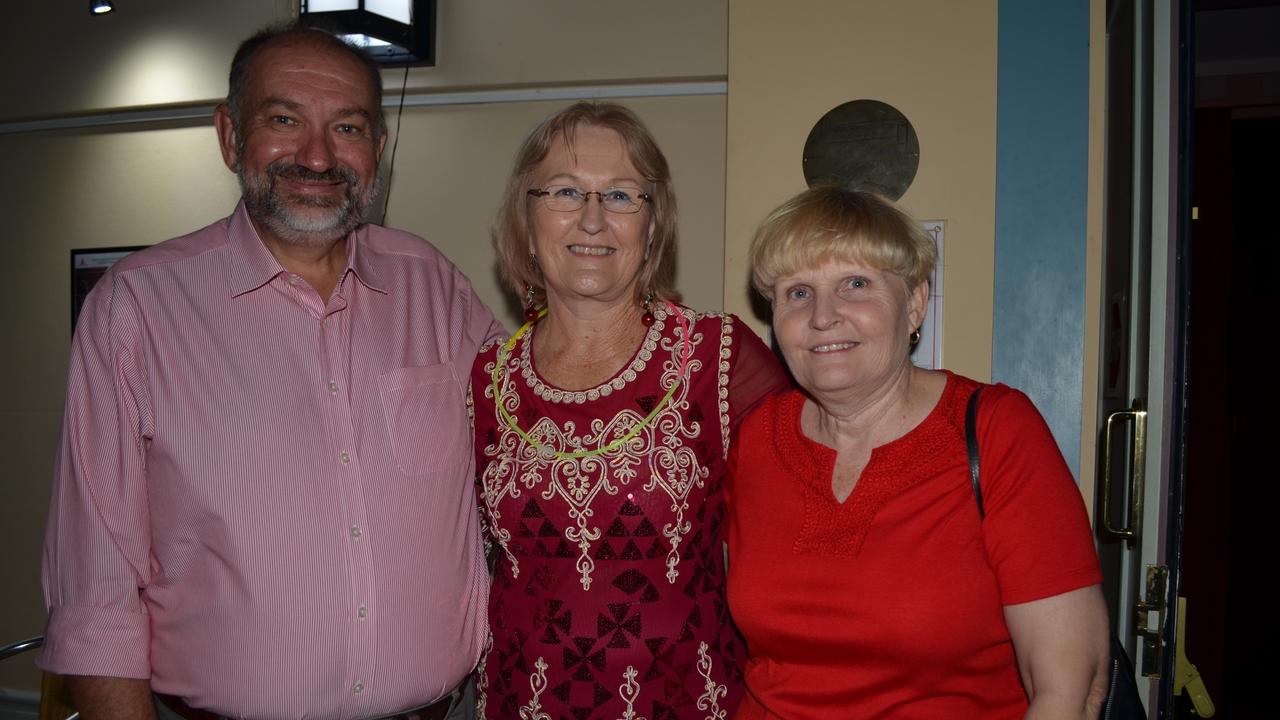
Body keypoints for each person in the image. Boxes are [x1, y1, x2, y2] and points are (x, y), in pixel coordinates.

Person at [39, 23, 500, 720]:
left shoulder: (433, 286)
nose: (317, 155)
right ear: (229, 136)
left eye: (346, 127)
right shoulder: (134, 310)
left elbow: (542, 425)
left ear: (377, 153)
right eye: (284, 119)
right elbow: (96, 594)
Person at [726, 186, 1111, 719]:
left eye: (855, 284)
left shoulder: (997, 429)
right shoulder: (756, 439)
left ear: (915, 302)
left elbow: (1071, 689)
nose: (822, 316)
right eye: (797, 293)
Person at [470, 102, 790, 719]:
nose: (593, 219)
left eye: (621, 196)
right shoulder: (486, 380)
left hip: (689, 704)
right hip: (517, 704)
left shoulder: (718, 359)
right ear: (526, 218)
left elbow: (815, 530)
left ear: (653, 225)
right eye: (565, 191)